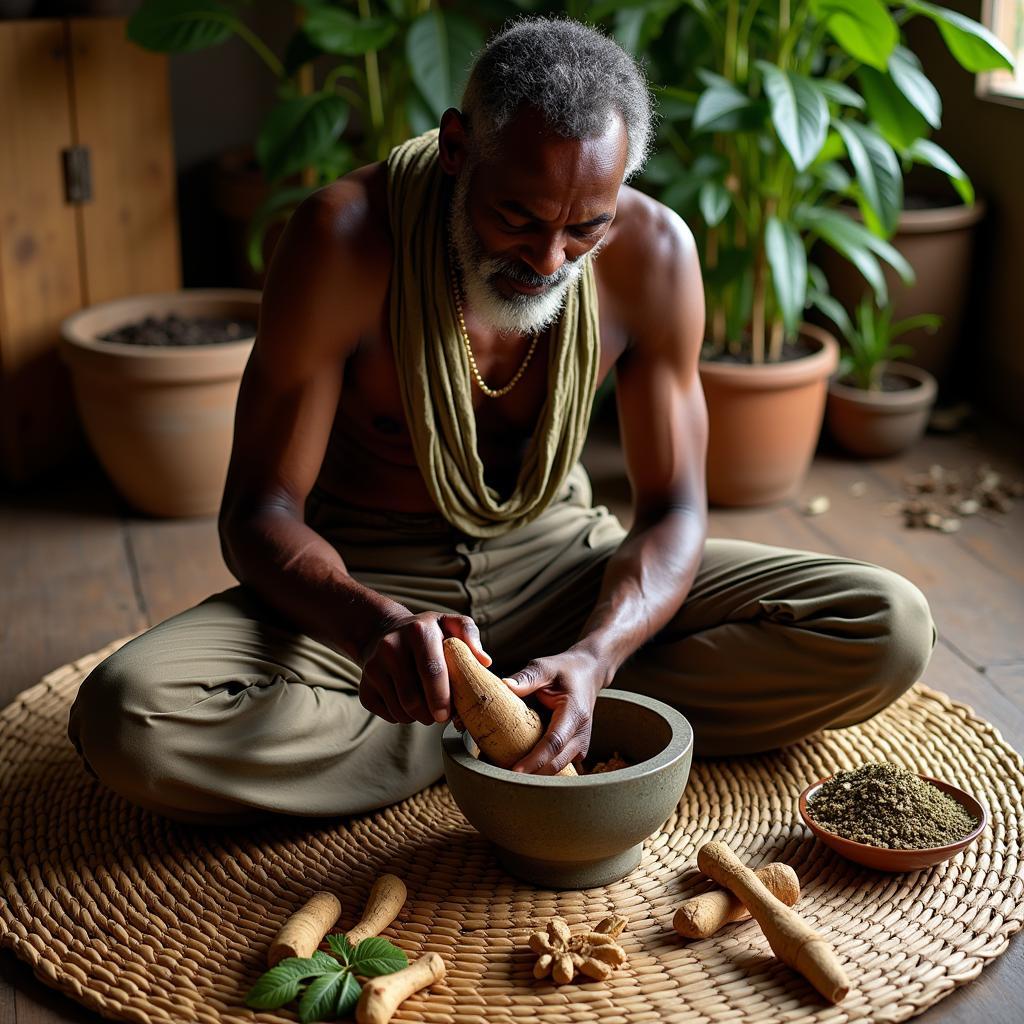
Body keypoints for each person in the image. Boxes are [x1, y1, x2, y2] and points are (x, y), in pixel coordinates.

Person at [68, 17, 934, 825]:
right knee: (131, 718)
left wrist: (600, 652)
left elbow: (674, 511)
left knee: (887, 627)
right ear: (455, 150)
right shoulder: (343, 240)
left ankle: (537, 707)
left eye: (582, 230)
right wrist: (374, 628)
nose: (546, 260)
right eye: (516, 218)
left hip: (564, 566)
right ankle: (475, 721)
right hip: (377, 586)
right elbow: (259, 516)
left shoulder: (655, 255)